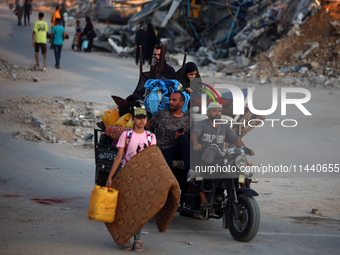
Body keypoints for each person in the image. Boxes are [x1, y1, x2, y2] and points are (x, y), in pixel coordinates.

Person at [106, 107, 156, 252]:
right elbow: (119, 157)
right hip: (127, 176)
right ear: (133, 120)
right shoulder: (126, 135)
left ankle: (138, 239)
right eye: (139, 118)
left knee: (139, 209)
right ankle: (125, 237)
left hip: (143, 177)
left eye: (144, 118)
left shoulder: (150, 137)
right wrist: (110, 177)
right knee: (125, 207)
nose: (142, 120)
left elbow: (152, 159)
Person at [191, 102, 254, 207]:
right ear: (208, 113)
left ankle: (242, 190)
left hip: (218, 157)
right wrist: (196, 143)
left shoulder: (224, 126)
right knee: (200, 173)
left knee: (237, 170)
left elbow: (235, 139)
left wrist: (244, 148)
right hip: (204, 157)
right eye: (214, 111)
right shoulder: (202, 124)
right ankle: (203, 199)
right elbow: (194, 134)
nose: (217, 113)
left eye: (219, 111)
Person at [146, 91, 190, 174]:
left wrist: (180, 137)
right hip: (163, 150)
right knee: (167, 171)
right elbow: (147, 126)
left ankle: (190, 172)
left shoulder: (188, 119)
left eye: (174, 100)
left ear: (181, 103)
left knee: (183, 138)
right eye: (170, 99)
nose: (170, 102)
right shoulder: (162, 114)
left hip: (177, 150)